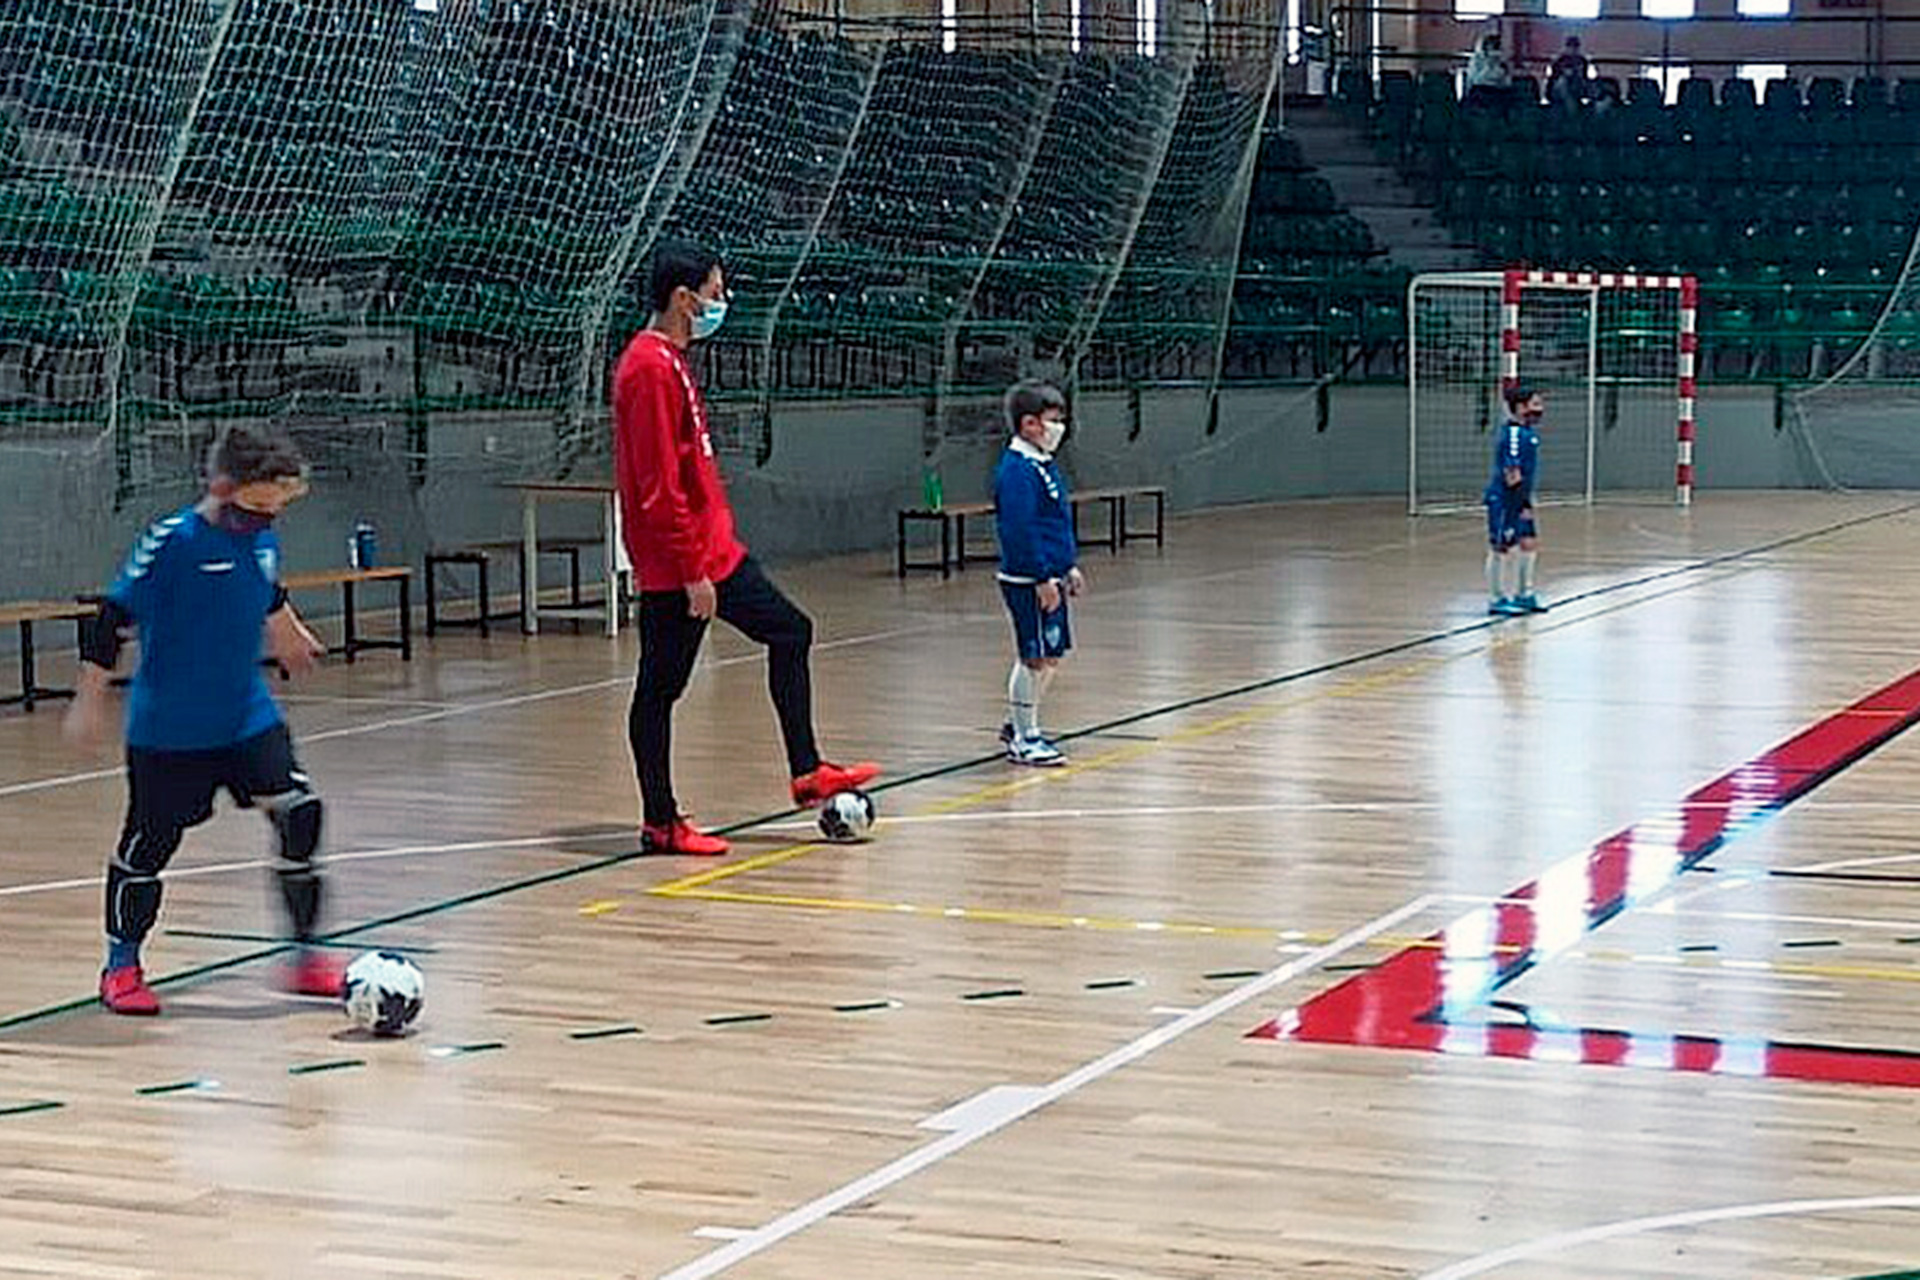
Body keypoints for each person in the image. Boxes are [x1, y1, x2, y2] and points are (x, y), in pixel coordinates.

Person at [613, 238, 878, 855]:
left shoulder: (674, 360)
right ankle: (660, 822)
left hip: (716, 550)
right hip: (683, 567)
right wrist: (689, 573)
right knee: (659, 690)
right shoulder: (647, 366)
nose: (721, 301)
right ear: (683, 298)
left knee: (791, 631)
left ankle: (808, 769)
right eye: (714, 291)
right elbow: (657, 486)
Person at [65, 427, 342, 1016]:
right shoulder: (172, 542)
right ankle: (122, 966)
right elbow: (112, 615)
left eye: (278, 511)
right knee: (148, 846)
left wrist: (287, 629)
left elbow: (264, 585)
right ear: (222, 488)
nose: (268, 520)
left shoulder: (260, 539)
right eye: (260, 506)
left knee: (300, 814)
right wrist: (89, 698)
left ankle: (304, 955)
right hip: (171, 730)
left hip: (245, 715)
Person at [994, 379, 1084, 767]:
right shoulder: (1016, 471)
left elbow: (1053, 524)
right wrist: (1041, 577)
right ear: (1029, 424)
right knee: (1033, 656)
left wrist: (1067, 567)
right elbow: (1021, 529)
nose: (1058, 428)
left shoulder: (1042, 465)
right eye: (1052, 420)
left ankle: (1020, 722)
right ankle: (1025, 737)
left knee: (1051, 655)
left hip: (1050, 574)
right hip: (1029, 580)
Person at [1484, 385, 1547, 617]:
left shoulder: (1528, 434)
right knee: (1501, 545)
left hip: (1520, 498)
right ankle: (1496, 598)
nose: (1540, 410)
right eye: (1535, 404)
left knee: (1528, 542)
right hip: (1504, 500)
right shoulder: (1513, 434)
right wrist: (1521, 504)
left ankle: (1524, 594)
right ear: (1520, 408)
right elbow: (1512, 473)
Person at [1465, 32, 1511, 109]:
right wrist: (1489, 64)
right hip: (1480, 94)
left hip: (1499, 95)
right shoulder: (1476, 60)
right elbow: (1476, 80)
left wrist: (1499, 64)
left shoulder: (1502, 62)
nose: (1493, 51)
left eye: (1496, 47)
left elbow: (1507, 82)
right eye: (1491, 47)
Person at [1549, 36, 1590, 106]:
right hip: (1561, 89)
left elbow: (1586, 78)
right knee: (1562, 83)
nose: (1573, 49)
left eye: (1575, 47)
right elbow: (1553, 78)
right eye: (1570, 46)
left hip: (1578, 86)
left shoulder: (1582, 61)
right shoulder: (1559, 61)